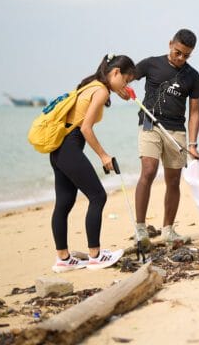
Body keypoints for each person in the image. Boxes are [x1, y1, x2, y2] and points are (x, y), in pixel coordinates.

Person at [49, 54, 136, 273]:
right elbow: (86, 128)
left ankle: (63, 259)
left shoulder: (91, 85)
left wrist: (121, 93)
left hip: (58, 149)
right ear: (115, 73)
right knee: (98, 196)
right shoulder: (101, 90)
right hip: (69, 146)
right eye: (125, 80)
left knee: (65, 201)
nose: (125, 85)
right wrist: (104, 156)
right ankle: (96, 255)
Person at [133, 29, 199, 248]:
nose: (181, 58)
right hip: (149, 124)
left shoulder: (193, 76)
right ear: (170, 43)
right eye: (177, 52)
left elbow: (194, 113)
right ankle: (141, 230)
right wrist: (122, 89)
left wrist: (192, 143)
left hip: (176, 131)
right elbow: (124, 78)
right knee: (149, 170)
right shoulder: (151, 64)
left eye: (186, 56)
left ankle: (168, 231)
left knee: (173, 181)